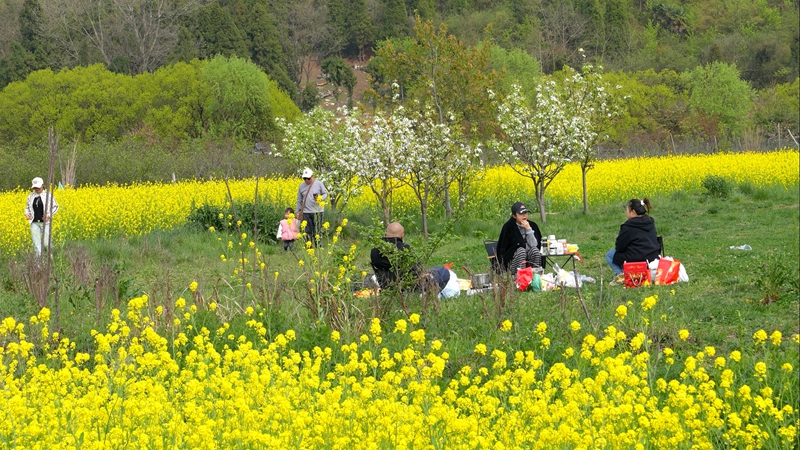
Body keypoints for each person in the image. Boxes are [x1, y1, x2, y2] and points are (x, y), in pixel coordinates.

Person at [370, 222, 450, 295]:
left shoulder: (374, 250)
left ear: (385, 233)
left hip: (386, 287)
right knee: (443, 271)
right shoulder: (404, 249)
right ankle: (426, 295)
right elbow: (418, 271)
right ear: (402, 235)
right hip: (408, 289)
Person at [606, 198, 661, 284]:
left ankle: (621, 276)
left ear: (633, 212)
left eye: (627, 210)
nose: (626, 212)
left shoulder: (628, 227)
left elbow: (619, 247)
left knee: (610, 254)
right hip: (652, 257)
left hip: (636, 259)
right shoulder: (650, 222)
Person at [496, 202, 543, 273]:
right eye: (521, 214)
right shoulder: (508, 227)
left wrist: (528, 229)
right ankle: (520, 278)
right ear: (514, 216)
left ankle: (535, 276)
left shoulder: (532, 225)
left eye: (525, 213)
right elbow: (503, 249)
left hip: (529, 257)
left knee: (535, 251)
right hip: (513, 261)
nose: (524, 215)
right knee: (521, 251)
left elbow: (534, 245)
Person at [24, 177, 59, 259]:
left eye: (38, 187)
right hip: (34, 223)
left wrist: (49, 215)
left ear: (42, 186)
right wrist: (27, 213)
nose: (36, 189)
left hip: (45, 223)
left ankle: (50, 260)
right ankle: (38, 264)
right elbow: (27, 207)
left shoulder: (48, 195)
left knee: (47, 243)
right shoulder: (31, 196)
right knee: (36, 244)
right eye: (35, 187)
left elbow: (55, 207)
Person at [295, 167, 328, 246]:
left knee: (317, 230)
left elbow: (325, 194)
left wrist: (320, 198)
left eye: (308, 178)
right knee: (307, 230)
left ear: (312, 176)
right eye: (304, 178)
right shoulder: (301, 186)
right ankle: (309, 246)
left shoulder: (319, 183)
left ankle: (318, 246)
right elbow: (299, 200)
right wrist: (297, 211)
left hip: (318, 211)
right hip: (306, 212)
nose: (306, 180)